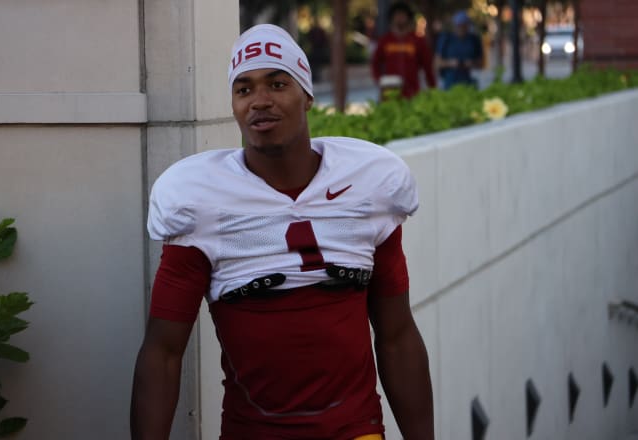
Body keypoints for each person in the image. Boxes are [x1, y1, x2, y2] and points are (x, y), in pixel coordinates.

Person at [131, 23, 434, 440]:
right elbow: (163, 352)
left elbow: (397, 336)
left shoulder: (368, 188)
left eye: (277, 84)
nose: (260, 101)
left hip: (355, 430)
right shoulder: (199, 202)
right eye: (244, 89)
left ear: (307, 95)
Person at [371, 2, 437, 99]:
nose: (399, 18)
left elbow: (428, 67)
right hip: (389, 93)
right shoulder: (385, 41)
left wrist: (433, 89)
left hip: (412, 93)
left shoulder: (417, 41)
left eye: (402, 15)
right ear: (392, 18)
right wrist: (380, 81)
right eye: (397, 15)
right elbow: (375, 63)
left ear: (408, 17)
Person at [434, 10, 483, 90]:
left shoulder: (474, 39)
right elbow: (436, 63)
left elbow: (481, 63)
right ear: (455, 25)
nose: (462, 28)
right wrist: (451, 63)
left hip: (468, 81)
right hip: (450, 82)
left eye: (465, 25)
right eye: (459, 25)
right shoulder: (446, 39)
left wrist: (471, 63)